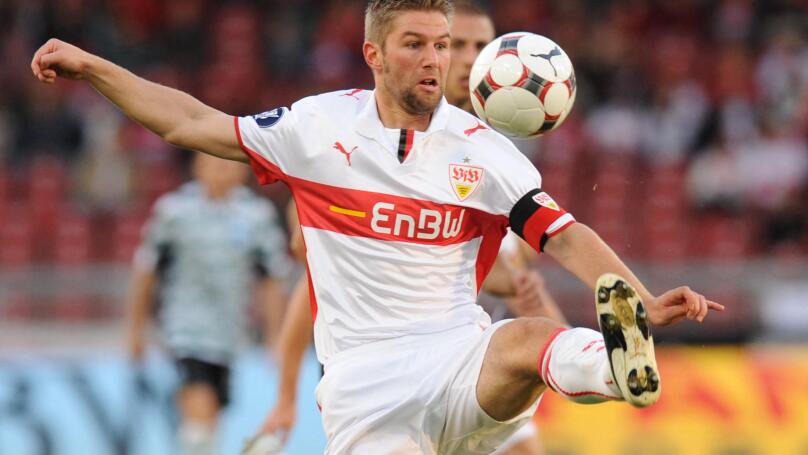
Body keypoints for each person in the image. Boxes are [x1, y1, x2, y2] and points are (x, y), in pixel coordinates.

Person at [32, 1, 723, 453]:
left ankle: (615, 364)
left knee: (527, 340)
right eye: (415, 44)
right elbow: (188, 120)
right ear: (373, 54)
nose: (434, 61)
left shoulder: (480, 147)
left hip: (457, 355)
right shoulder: (315, 128)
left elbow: (562, 233)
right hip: (365, 387)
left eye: (444, 46)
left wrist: (638, 295)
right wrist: (94, 67)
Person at [254, 3, 561, 454]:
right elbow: (315, 275)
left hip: (474, 359)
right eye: (458, 45)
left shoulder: (496, 161)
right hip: (379, 367)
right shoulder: (356, 152)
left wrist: (565, 336)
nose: (470, 58)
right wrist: (284, 394)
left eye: (483, 47)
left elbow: (521, 275)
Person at [125, 153, 290, 454]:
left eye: (228, 165)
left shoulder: (256, 216)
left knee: (211, 413)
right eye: (213, 164)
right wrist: (135, 331)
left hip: (230, 332)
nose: (221, 171)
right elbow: (146, 271)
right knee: (199, 402)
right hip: (184, 327)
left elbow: (272, 278)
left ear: (243, 173)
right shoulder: (174, 211)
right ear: (197, 167)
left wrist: (274, 336)